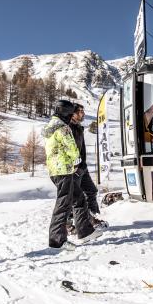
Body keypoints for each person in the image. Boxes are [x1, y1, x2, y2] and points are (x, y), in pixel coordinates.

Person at [42, 100, 102, 250]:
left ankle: (86, 231)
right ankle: (57, 240)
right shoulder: (63, 129)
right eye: (70, 114)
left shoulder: (49, 126)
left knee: (79, 198)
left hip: (55, 169)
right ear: (66, 113)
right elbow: (73, 149)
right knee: (63, 204)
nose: (70, 117)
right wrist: (77, 162)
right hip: (65, 170)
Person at [66, 103, 106, 234]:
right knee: (71, 197)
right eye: (80, 111)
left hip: (82, 167)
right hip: (73, 169)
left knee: (91, 191)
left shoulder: (78, 128)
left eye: (83, 111)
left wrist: (82, 164)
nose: (83, 114)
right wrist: (73, 166)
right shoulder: (67, 129)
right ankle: (67, 225)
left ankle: (91, 217)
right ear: (73, 113)